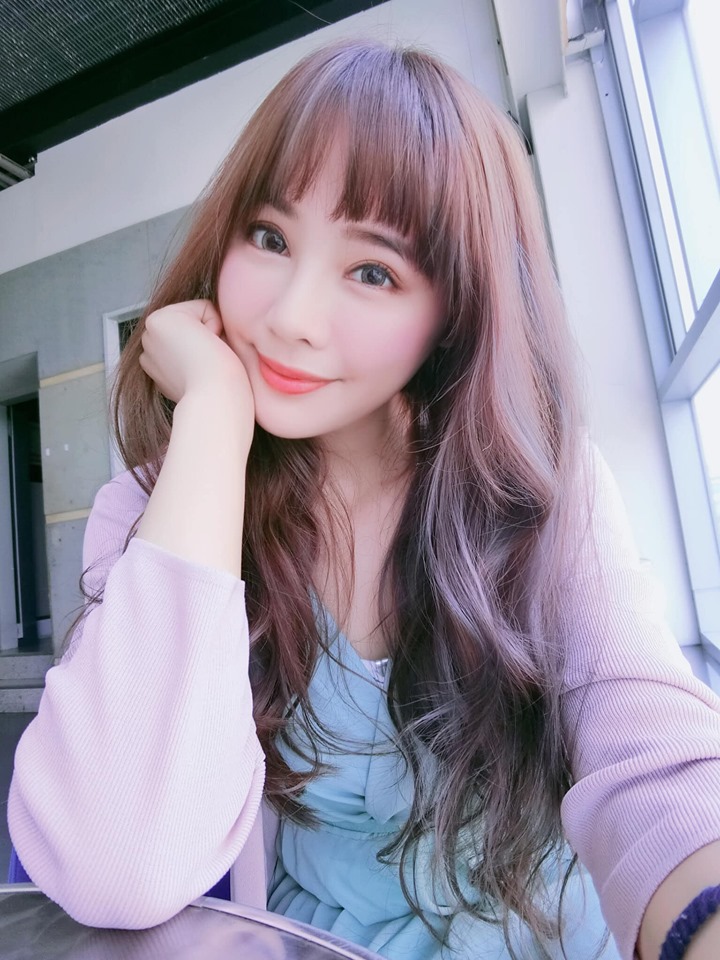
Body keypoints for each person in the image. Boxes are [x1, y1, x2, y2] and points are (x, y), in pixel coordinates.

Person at [8, 39, 720, 960]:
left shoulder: (538, 483)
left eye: (373, 271)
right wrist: (214, 422)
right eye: (270, 238)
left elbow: (650, 755)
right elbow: (117, 862)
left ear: (455, 310)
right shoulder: (154, 506)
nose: (291, 317)